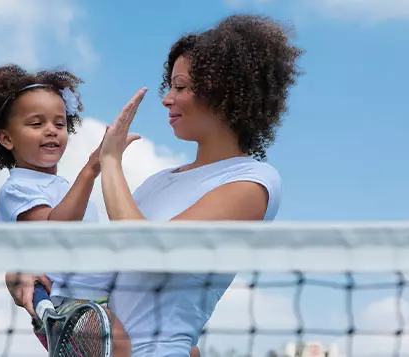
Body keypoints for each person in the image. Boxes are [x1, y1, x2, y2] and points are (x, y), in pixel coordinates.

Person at [97, 14, 304, 356]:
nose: (167, 99)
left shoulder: (253, 182)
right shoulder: (157, 181)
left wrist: (109, 162)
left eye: (180, 87)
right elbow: (108, 272)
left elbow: (148, 253)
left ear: (220, 92)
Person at [0, 64, 138, 356]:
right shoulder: (16, 189)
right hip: (66, 309)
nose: (51, 131)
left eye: (59, 124)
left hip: (100, 300)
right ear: (7, 138)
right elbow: (55, 229)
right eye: (36, 124)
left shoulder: (64, 187)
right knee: (124, 348)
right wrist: (92, 168)